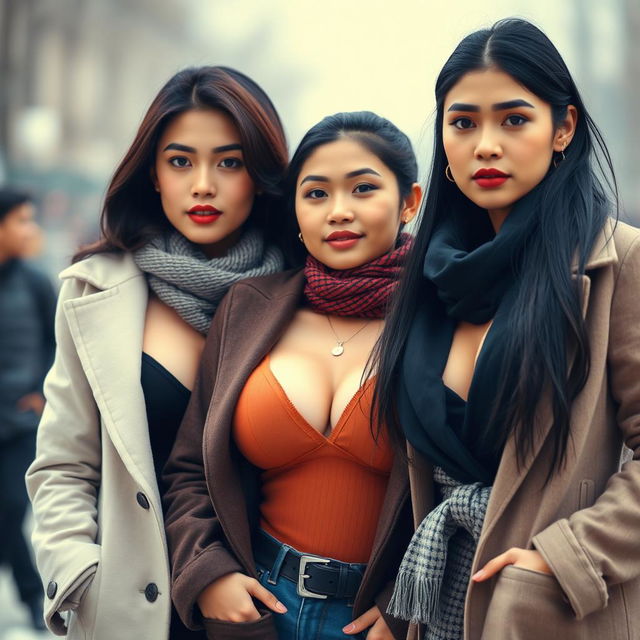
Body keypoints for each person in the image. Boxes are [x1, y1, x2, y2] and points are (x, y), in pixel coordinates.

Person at [372, 17, 640, 640]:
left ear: (563, 128)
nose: (485, 145)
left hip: (550, 610)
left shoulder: (617, 262)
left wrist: (565, 558)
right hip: (433, 602)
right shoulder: (427, 277)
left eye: (514, 119)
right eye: (462, 123)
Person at [25, 66, 289, 640]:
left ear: (262, 176)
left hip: (270, 606)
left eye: (229, 161)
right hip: (133, 607)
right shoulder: (97, 291)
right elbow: (62, 465)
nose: (202, 184)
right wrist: (79, 573)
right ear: (152, 173)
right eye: (180, 161)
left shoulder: (303, 292)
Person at [162, 111, 422, 640]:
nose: (339, 212)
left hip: (380, 622)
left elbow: (475, 486)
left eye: (364, 188)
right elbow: (189, 468)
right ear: (297, 214)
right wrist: (208, 574)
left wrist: (409, 604)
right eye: (317, 194)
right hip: (255, 607)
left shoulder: (442, 318)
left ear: (410, 202)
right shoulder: (249, 308)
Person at [0, 188, 55, 631]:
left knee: (10, 505)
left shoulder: (35, 282)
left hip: (20, 423)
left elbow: (57, 344)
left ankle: (33, 594)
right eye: (21, 219)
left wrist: (39, 390)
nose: (30, 230)